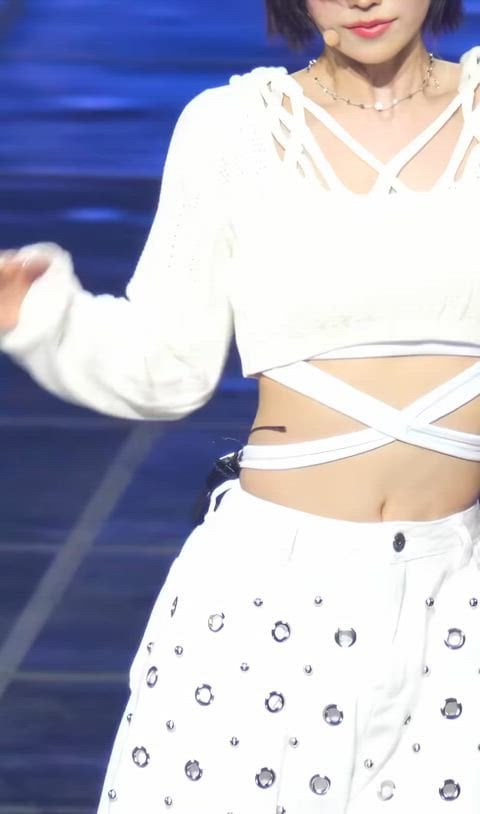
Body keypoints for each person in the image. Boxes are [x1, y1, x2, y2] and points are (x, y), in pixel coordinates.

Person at [1, 0, 480, 810]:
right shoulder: (232, 129)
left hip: (460, 596)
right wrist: (39, 317)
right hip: (271, 599)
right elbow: (167, 366)